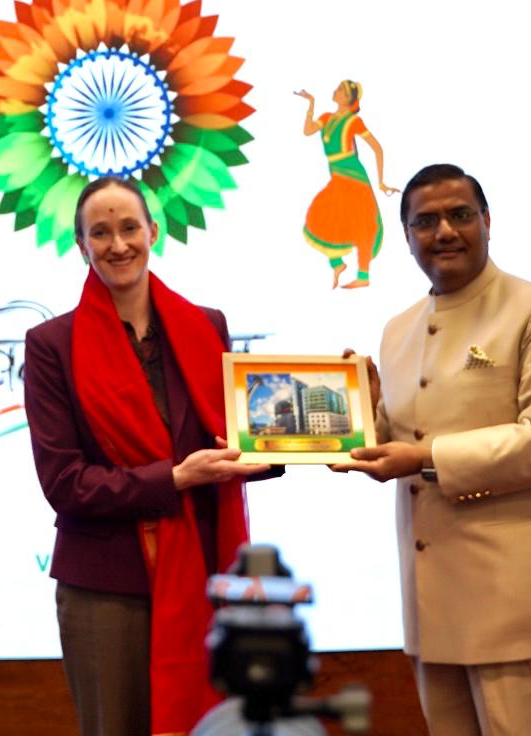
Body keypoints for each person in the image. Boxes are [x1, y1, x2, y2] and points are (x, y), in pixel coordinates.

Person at [336, 163, 531, 736]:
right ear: (407, 238)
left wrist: (421, 457)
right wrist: (365, 418)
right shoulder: (398, 330)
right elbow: (406, 440)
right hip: (437, 618)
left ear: (488, 223)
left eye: (460, 215)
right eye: (425, 221)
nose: (444, 231)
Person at [23, 175, 272, 736]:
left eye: (129, 227)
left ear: (153, 231)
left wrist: (319, 427)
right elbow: (66, 484)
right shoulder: (51, 345)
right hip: (107, 589)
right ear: (81, 245)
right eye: (101, 232)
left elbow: (235, 442)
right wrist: (176, 478)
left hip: (203, 570)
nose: (118, 245)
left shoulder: (207, 326)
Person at [295, 80, 398, 289]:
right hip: (337, 176)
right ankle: (337, 263)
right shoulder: (326, 118)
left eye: (340, 89)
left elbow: (377, 149)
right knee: (321, 215)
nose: (335, 90)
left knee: (361, 223)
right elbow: (307, 131)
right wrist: (311, 104)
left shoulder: (354, 122)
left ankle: (363, 275)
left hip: (353, 175)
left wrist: (381, 182)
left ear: (348, 98)